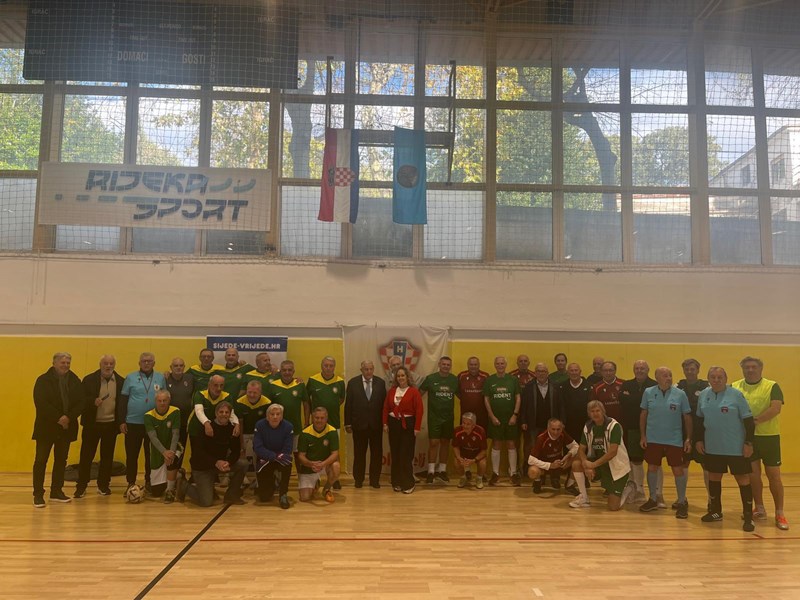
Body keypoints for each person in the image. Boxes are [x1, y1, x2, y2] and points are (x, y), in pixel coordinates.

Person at [696, 366, 756, 532]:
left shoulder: (736, 395)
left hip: (736, 447)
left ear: (725, 378)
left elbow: (749, 421)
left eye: (720, 377)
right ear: (708, 379)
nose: (716, 380)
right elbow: (699, 420)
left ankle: (748, 517)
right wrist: (699, 440)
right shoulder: (703, 395)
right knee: (714, 477)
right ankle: (716, 512)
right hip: (713, 447)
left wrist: (748, 443)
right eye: (713, 377)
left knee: (742, 479)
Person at [732, 357, 789, 530]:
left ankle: (779, 513)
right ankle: (760, 508)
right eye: (746, 367)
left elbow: (776, 408)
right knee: (753, 475)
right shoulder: (734, 386)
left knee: (774, 476)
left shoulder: (772, 386)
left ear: (760, 368)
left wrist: (754, 422)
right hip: (747, 439)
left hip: (769, 438)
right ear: (742, 369)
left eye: (753, 367)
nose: (750, 370)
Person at [638, 367, 692, 519]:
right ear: (657, 378)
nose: (668, 378)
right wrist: (643, 436)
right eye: (664, 375)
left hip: (674, 440)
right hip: (653, 439)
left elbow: (687, 417)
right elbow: (643, 414)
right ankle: (653, 499)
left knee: (678, 470)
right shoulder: (648, 392)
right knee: (652, 467)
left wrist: (688, 438)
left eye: (670, 375)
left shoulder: (680, 394)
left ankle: (681, 501)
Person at [32, 352, 83, 507]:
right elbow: (41, 403)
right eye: (63, 362)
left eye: (68, 362)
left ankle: (56, 491)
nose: (66, 365)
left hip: (66, 429)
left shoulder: (75, 380)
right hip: (46, 428)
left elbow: (81, 402)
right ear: (54, 363)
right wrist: (59, 418)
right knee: (41, 461)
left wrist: (69, 417)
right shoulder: (43, 380)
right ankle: (38, 494)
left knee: (61, 461)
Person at [178, 401, 248, 507]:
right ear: (216, 413)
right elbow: (198, 452)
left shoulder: (232, 429)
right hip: (202, 467)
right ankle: (184, 485)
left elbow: (235, 452)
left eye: (226, 412)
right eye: (221, 412)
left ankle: (231, 495)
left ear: (230, 415)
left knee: (243, 464)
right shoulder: (206, 428)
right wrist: (215, 462)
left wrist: (228, 462)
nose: (224, 414)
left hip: (219, 465)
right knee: (206, 502)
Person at [570, 400, 633, 511]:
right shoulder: (588, 426)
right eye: (592, 411)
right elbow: (581, 449)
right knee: (576, 464)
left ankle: (628, 488)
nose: (595, 413)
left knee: (613, 507)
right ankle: (584, 497)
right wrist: (585, 464)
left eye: (597, 410)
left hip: (617, 468)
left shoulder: (614, 426)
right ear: (589, 414)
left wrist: (593, 465)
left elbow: (612, 452)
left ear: (603, 411)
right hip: (600, 465)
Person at [75, 354, 124, 498]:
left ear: (114, 365)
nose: (108, 366)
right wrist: (92, 401)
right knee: (86, 456)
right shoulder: (89, 380)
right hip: (92, 425)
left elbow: (122, 404)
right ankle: (81, 486)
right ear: (100, 364)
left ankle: (103, 485)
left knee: (107, 458)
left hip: (111, 425)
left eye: (111, 363)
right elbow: (80, 400)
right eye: (105, 363)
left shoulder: (121, 381)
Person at [120, 352, 167, 495]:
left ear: (154, 363)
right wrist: (122, 421)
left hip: (153, 422)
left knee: (150, 455)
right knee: (132, 455)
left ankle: (149, 481)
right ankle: (131, 483)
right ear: (139, 363)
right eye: (144, 361)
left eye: (149, 361)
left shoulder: (160, 377)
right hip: (133, 422)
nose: (146, 363)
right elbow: (123, 400)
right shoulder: (130, 377)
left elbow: (164, 399)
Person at [344, 360, 387, 489]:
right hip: (358, 425)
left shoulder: (380, 383)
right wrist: (347, 423)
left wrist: (385, 422)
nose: (368, 372)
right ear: (361, 370)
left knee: (376, 454)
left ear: (373, 369)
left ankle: (375, 480)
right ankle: (358, 479)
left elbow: (384, 405)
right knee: (359, 454)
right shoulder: (353, 383)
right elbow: (348, 404)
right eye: (366, 369)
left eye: (370, 369)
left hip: (376, 425)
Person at [520, 362, 564, 485]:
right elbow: (523, 405)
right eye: (539, 371)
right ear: (535, 373)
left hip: (552, 426)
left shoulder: (555, 386)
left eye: (543, 371)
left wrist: (561, 421)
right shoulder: (528, 386)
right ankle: (539, 477)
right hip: (534, 424)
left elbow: (561, 405)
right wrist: (523, 420)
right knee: (534, 450)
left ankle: (555, 477)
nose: (541, 373)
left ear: (548, 373)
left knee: (554, 450)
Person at [620, 360, 656, 503]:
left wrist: (633, 398)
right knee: (634, 459)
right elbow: (623, 401)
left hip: (652, 428)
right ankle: (637, 490)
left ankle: (655, 493)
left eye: (642, 368)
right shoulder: (626, 384)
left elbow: (640, 403)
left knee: (654, 461)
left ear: (648, 370)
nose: (639, 370)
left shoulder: (654, 385)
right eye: (637, 368)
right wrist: (641, 400)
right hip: (632, 427)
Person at [383, 366, 424, 494]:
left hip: (408, 425)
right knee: (395, 454)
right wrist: (385, 423)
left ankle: (408, 483)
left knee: (405, 454)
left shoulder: (414, 392)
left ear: (407, 377)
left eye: (403, 375)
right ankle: (397, 482)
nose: (400, 378)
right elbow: (385, 408)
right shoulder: (391, 391)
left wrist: (417, 427)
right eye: (398, 376)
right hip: (394, 424)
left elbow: (419, 410)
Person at [306, 357, 346, 488]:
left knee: (334, 452)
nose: (328, 368)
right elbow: (307, 400)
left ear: (334, 367)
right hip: (316, 424)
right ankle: (315, 478)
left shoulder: (340, 381)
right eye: (326, 365)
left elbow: (341, 399)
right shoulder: (313, 380)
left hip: (334, 422)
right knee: (315, 452)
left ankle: (335, 479)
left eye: (331, 366)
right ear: (321, 366)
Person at [483, 356, 522, 487]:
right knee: (496, 444)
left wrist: (515, 415)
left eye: (502, 363)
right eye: (498, 363)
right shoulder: (489, 380)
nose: (500, 365)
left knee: (511, 444)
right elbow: (486, 399)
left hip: (510, 418)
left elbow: (518, 397)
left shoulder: (513, 379)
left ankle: (513, 473)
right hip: (496, 419)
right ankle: (495, 474)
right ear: (495, 365)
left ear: (505, 365)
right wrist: (491, 416)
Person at [677, 358, 710, 509]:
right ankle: (682, 498)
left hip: (702, 431)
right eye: (687, 369)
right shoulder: (678, 386)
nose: (690, 372)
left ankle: (711, 499)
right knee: (683, 463)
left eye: (692, 369)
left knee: (706, 465)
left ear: (698, 370)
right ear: (683, 370)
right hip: (683, 431)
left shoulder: (705, 386)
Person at [420, 356, 459, 484]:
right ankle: (431, 471)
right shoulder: (431, 379)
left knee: (445, 443)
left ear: (450, 366)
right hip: (434, 418)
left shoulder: (454, 380)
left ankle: (442, 471)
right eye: (444, 364)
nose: (446, 366)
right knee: (433, 443)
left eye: (448, 365)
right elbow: (419, 393)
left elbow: (463, 396)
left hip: (448, 418)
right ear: (439, 365)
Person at [144, 390, 182, 503]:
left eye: (165, 400)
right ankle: (179, 475)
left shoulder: (175, 411)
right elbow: (153, 438)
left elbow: (175, 434)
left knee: (172, 459)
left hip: (174, 447)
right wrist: (164, 452)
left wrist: (171, 452)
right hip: (158, 451)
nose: (162, 403)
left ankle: (170, 490)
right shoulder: (148, 416)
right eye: (159, 401)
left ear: (169, 400)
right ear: (155, 401)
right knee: (156, 492)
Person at [253, 404, 294, 508]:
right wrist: (272, 456)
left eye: (278, 414)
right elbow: (257, 447)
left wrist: (277, 457)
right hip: (265, 458)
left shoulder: (288, 426)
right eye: (272, 414)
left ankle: (283, 494)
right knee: (264, 497)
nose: (275, 417)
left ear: (281, 416)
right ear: (267, 416)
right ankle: (272, 482)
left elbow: (288, 449)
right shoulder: (259, 425)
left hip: (281, 458)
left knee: (288, 464)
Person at [297, 407, 341, 502]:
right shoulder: (304, 433)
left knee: (336, 466)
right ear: (312, 418)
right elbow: (301, 456)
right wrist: (311, 464)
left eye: (322, 418)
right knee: (305, 498)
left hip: (325, 465)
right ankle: (316, 483)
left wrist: (323, 464)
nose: (319, 420)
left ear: (326, 418)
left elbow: (335, 454)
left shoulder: (332, 431)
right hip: (310, 466)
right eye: (317, 418)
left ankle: (326, 489)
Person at [234, 380, 272, 489]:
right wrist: (241, 445)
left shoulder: (267, 403)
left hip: (259, 434)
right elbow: (240, 424)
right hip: (244, 433)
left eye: (254, 393)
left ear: (260, 392)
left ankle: (259, 481)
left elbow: (267, 425)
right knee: (240, 456)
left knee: (260, 457)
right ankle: (240, 481)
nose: (251, 395)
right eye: (249, 392)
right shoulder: (239, 402)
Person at [266, 360, 309, 457]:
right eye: (284, 370)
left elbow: (306, 404)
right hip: (277, 427)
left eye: (289, 370)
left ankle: (299, 468)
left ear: (293, 371)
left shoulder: (299, 384)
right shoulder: (273, 385)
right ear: (280, 371)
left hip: (296, 426)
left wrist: (306, 422)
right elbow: (268, 407)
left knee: (297, 453)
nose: (287, 372)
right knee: (280, 453)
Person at [528, 418, 578, 494]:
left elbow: (576, 446)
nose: (556, 432)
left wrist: (568, 454)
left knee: (578, 457)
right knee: (532, 471)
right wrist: (550, 465)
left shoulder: (562, 434)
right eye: (553, 429)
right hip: (545, 467)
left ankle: (569, 485)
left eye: (558, 429)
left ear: (562, 428)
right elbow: (531, 460)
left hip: (559, 463)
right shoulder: (542, 438)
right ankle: (537, 481)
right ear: (548, 428)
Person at [188, 374, 241, 439]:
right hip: (196, 428)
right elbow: (199, 411)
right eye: (215, 385)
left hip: (213, 429)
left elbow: (231, 413)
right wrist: (206, 423)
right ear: (209, 385)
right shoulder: (200, 395)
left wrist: (236, 424)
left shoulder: (227, 397)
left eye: (221, 385)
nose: (219, 388)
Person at [165, 357, 194, 453]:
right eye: (176, 365)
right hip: (169, 418)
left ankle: (178, 463)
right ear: (171, 367)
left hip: (185, 419)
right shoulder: (165, 378)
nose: (178, 367)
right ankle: (168, 463)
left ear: (184, 367)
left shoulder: (190, 378)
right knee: (168, 445)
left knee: (181, 447)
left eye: (181, 365)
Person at [452, 412, 487, 489]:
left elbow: (484, 451)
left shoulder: (480, 431)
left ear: (473, 425)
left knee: (483, 463)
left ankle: (479, 479)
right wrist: (459, 457)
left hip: (476, 454)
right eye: (463, 423)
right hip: (464, 454)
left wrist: (474, 460)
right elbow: (455, 446)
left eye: (468, 424)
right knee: (456, 462)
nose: (465, 426)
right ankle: (463, 478)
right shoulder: (457, 430)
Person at [559, 362, 592, 444]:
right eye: (571, 370)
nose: (574, 373)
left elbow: (592, 406)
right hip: (568, 425)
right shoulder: (562, 386)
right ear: (567, 372)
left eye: (576, 370)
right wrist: (561, 421)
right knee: (570, 448)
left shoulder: (589, 386)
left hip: (585, 424)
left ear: (580, 372)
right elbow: (560, 406)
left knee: (585, 447)